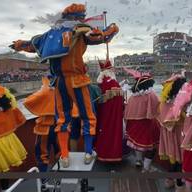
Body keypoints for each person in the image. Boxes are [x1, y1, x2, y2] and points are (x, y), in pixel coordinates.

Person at [9, 3, 119, 167]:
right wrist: (113, 28)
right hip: (77, 80)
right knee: (88, 116)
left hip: (59, 82)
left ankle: (65, 156)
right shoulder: (81, 30)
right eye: (82, 16)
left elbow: (31, 45)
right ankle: (88, 152)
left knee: (62, 119)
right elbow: (101, 36)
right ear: (78, 18)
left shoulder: (50, 35)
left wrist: (18, 44)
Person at [23, 77, 59, 191]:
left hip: (45, 129)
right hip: (59, 127)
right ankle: (61, 178)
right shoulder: (62, 90)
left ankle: (43, 183)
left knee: (42, 156)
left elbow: (27, 101)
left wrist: (43, 89)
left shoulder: (45, 91)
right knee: (61, 152)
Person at [123, 69, 160, 172]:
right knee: (151, 147)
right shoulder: (150, 95)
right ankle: (146, 168)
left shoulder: (132, 97)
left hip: (133, 125)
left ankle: (138, 160)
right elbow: (157, 108)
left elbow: (127, 113)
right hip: (146, 124)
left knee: (137, 144)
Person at [157, 74, 187, 191]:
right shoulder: (180, 104)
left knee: (173, 158)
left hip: (168, 135)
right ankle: (179, 185)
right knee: (180, 160)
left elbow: (161, 116)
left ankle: (169, 181)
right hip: (179, 133)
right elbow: (186, 117)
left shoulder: (164, 101)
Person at [95, 60, 124, 162]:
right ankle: (113, 154)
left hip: (104, 113)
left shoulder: (102, 82)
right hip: (113, 114)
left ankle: (103, 153)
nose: (113, 70)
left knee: (105, 132)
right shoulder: (112, 81)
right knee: (113, 133)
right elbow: (119, 98)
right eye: (112, 69)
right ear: (109, 70)